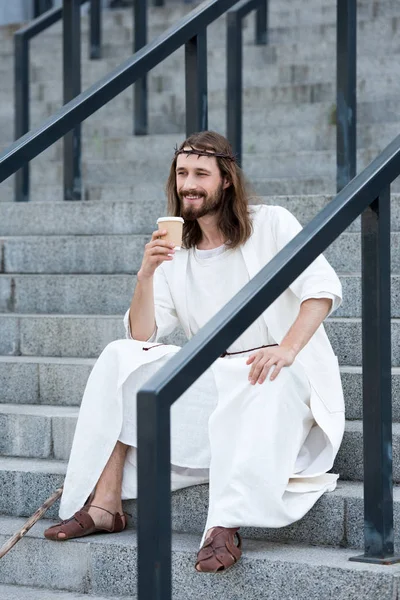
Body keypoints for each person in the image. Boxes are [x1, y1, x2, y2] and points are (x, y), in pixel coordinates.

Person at [44, 130, 345, 573]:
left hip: (281, 370)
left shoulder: (272, 223)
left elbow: (321, 289)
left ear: (226, 180)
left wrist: (287, 348)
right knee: (120, 358)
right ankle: (105, 503)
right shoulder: (176, 247)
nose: (189, 183)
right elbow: (142, 334)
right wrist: (145, 275)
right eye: (182, 173)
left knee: (258, 381)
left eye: (201, 173)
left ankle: (223, 524)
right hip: (217, 373)